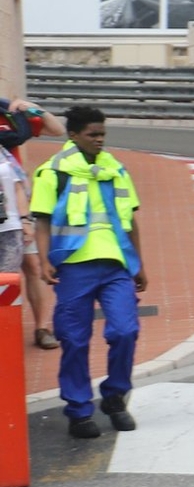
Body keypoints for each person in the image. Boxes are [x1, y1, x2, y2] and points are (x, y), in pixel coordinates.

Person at [26, 106, 147, 441]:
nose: (99, 140)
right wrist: (43, 259)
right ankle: (79, 411)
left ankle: (114, 397)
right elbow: (43, 220)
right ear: (73, 134)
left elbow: (131, 220)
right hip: (74, 267)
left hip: (116, 266)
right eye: (93, 134)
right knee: (75, 340)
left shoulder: (115, 169)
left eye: (103, 134)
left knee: (125, 331)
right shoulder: (53, 171)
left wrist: (140, 264)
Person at [0, 99, 57, 350]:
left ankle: (42, 328)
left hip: (17, 200)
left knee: (32, 264)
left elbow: (57, 130)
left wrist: (31, 107)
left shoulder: (8, 117)